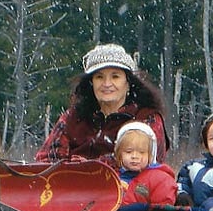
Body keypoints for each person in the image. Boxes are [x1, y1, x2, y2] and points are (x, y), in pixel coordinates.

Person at [35, 43, 169, 163]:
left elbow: (144, 162)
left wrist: (89, 168)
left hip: (128, 189)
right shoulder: (73, 117)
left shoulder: (146, 118)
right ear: (91, 83)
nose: (107, 84)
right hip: (70, 188)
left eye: (115, 76)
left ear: (128, 83)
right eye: (99, 77)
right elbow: (46, 161)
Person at [113, 121, 177, 206]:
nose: (135, 156)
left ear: (151, 154)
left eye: (141, 152)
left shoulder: (160, 180)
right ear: (119, 153)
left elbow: (162, 209)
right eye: (129, 152)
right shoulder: (112, 178)